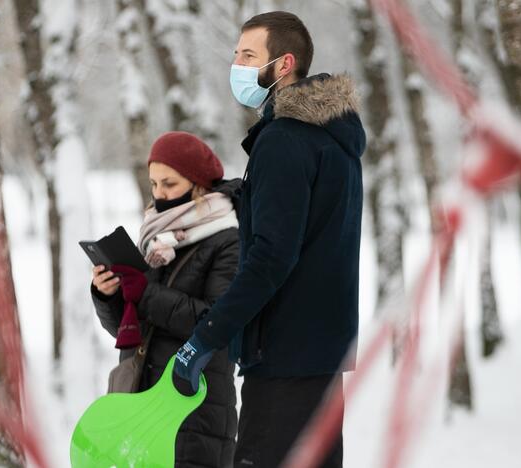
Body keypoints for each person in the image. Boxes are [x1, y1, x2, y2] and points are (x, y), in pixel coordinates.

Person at [173, 11, 366, 468]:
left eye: (247, 55)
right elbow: (313, 225)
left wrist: (206, 337)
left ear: (283, 64)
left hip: (283, 358)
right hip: (321, 354)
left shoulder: (282, 139)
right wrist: (246, 196)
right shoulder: (332, 138)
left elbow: (271, 258)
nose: (236, 65)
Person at [91, 131, 241, 467]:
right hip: (143, 405)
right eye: (154, 184)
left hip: (193, 409)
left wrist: (144, 292)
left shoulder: (227, 239)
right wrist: (110, 295)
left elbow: (215, 324)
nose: (159, 195)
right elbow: (128, 331)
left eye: (169, 184)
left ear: (198, 183)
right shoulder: (157, 236)